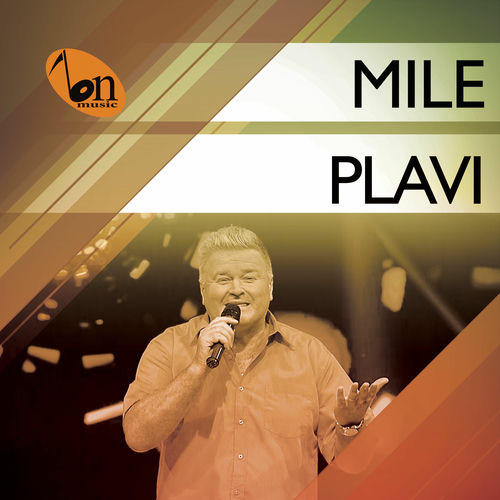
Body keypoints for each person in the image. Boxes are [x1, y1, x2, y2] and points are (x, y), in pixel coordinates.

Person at [123, 226, 388, 500]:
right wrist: (196, 368)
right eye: (223, 279)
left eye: (249, 278)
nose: (237, 289)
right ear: (203, 291)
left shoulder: (311, 355)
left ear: (270, 287)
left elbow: (354, 464)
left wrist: (350, 426)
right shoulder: (168, 347)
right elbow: (137, 437)